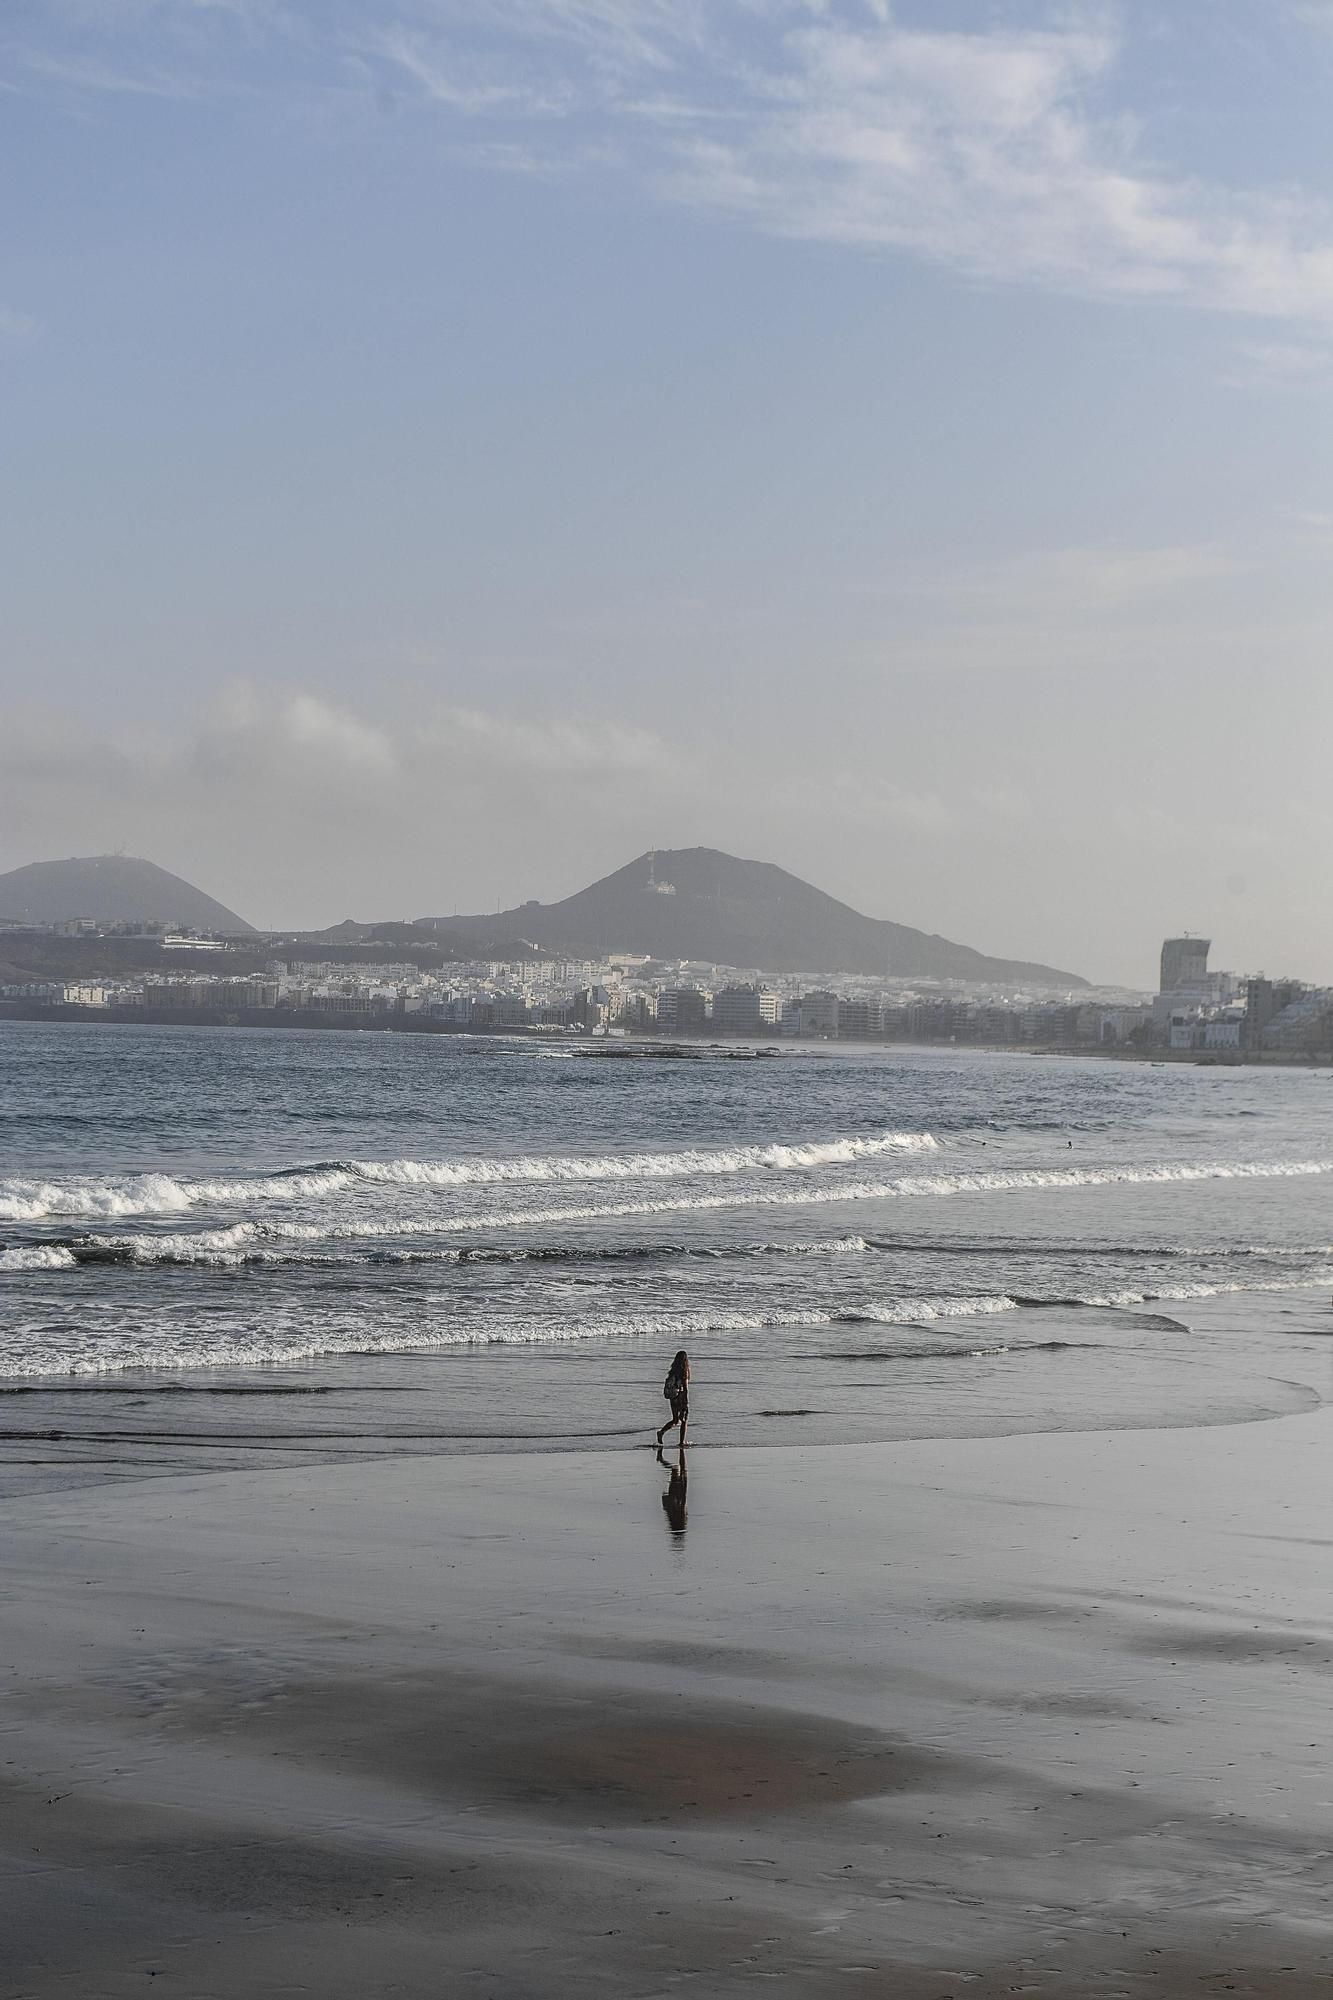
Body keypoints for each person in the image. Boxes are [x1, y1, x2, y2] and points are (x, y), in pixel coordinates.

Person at [657, 1348, 691, 1445]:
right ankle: (682, 1442)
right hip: (680, 1396)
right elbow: (685, 1387)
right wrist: (686, 1399)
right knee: (684, 1420)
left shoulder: (672, 1371)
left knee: (675, 1419)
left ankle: (661, 1432)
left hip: (673, 1397)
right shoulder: (684, 1371)